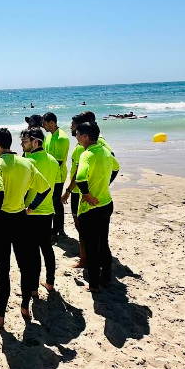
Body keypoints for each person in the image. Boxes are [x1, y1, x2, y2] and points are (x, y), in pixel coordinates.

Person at [0, 128, 51, 328]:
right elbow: (45, 188)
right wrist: (31, 207)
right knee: (24, 266)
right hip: (22, 219)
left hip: (3, 222)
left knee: (2, 270)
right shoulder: (27, 163)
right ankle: (24, 306)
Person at [70, 121, 120, 293]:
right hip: (106, 204)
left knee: (91, 247)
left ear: (85, 136)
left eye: (77, 134)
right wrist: (106, 184)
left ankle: (93, 285)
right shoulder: (105, 151)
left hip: (90, 209)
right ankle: (106, 279)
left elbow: (81, 177)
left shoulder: (87, 155)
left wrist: (86, 194)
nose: (75, 137)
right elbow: (116, 167)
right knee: (103, 243)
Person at [63, 112, 116, 269]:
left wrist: (70, 190)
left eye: (73, 125)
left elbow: (112, 163)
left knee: (87, 232)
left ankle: (86, 261)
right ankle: (86, 259)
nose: (70, 127)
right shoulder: (86, 144)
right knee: (88, 232)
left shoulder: (93, 145)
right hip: (83, 192)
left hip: (83, 194)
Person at [20, 127, 60, 295]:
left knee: (32, 251)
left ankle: (34, 288)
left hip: (31, 212)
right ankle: (50, 282)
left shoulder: (29, 162)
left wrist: (27, 207)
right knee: (47, 248)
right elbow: (57, 187)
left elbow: (24, 189)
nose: (22, 144)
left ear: (36, 142)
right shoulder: (52, 160)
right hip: (48, 211)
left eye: (25, 141)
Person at [41, 113, 70, 240]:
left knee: (56, 202)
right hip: (49, 174)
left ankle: (57, 230)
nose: (43, 126)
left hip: (58, 175)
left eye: (45, 123)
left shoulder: (61, 138)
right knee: (52, 201)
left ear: (52, 122)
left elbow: (58, 162)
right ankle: (55, 228)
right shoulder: (48, 137)